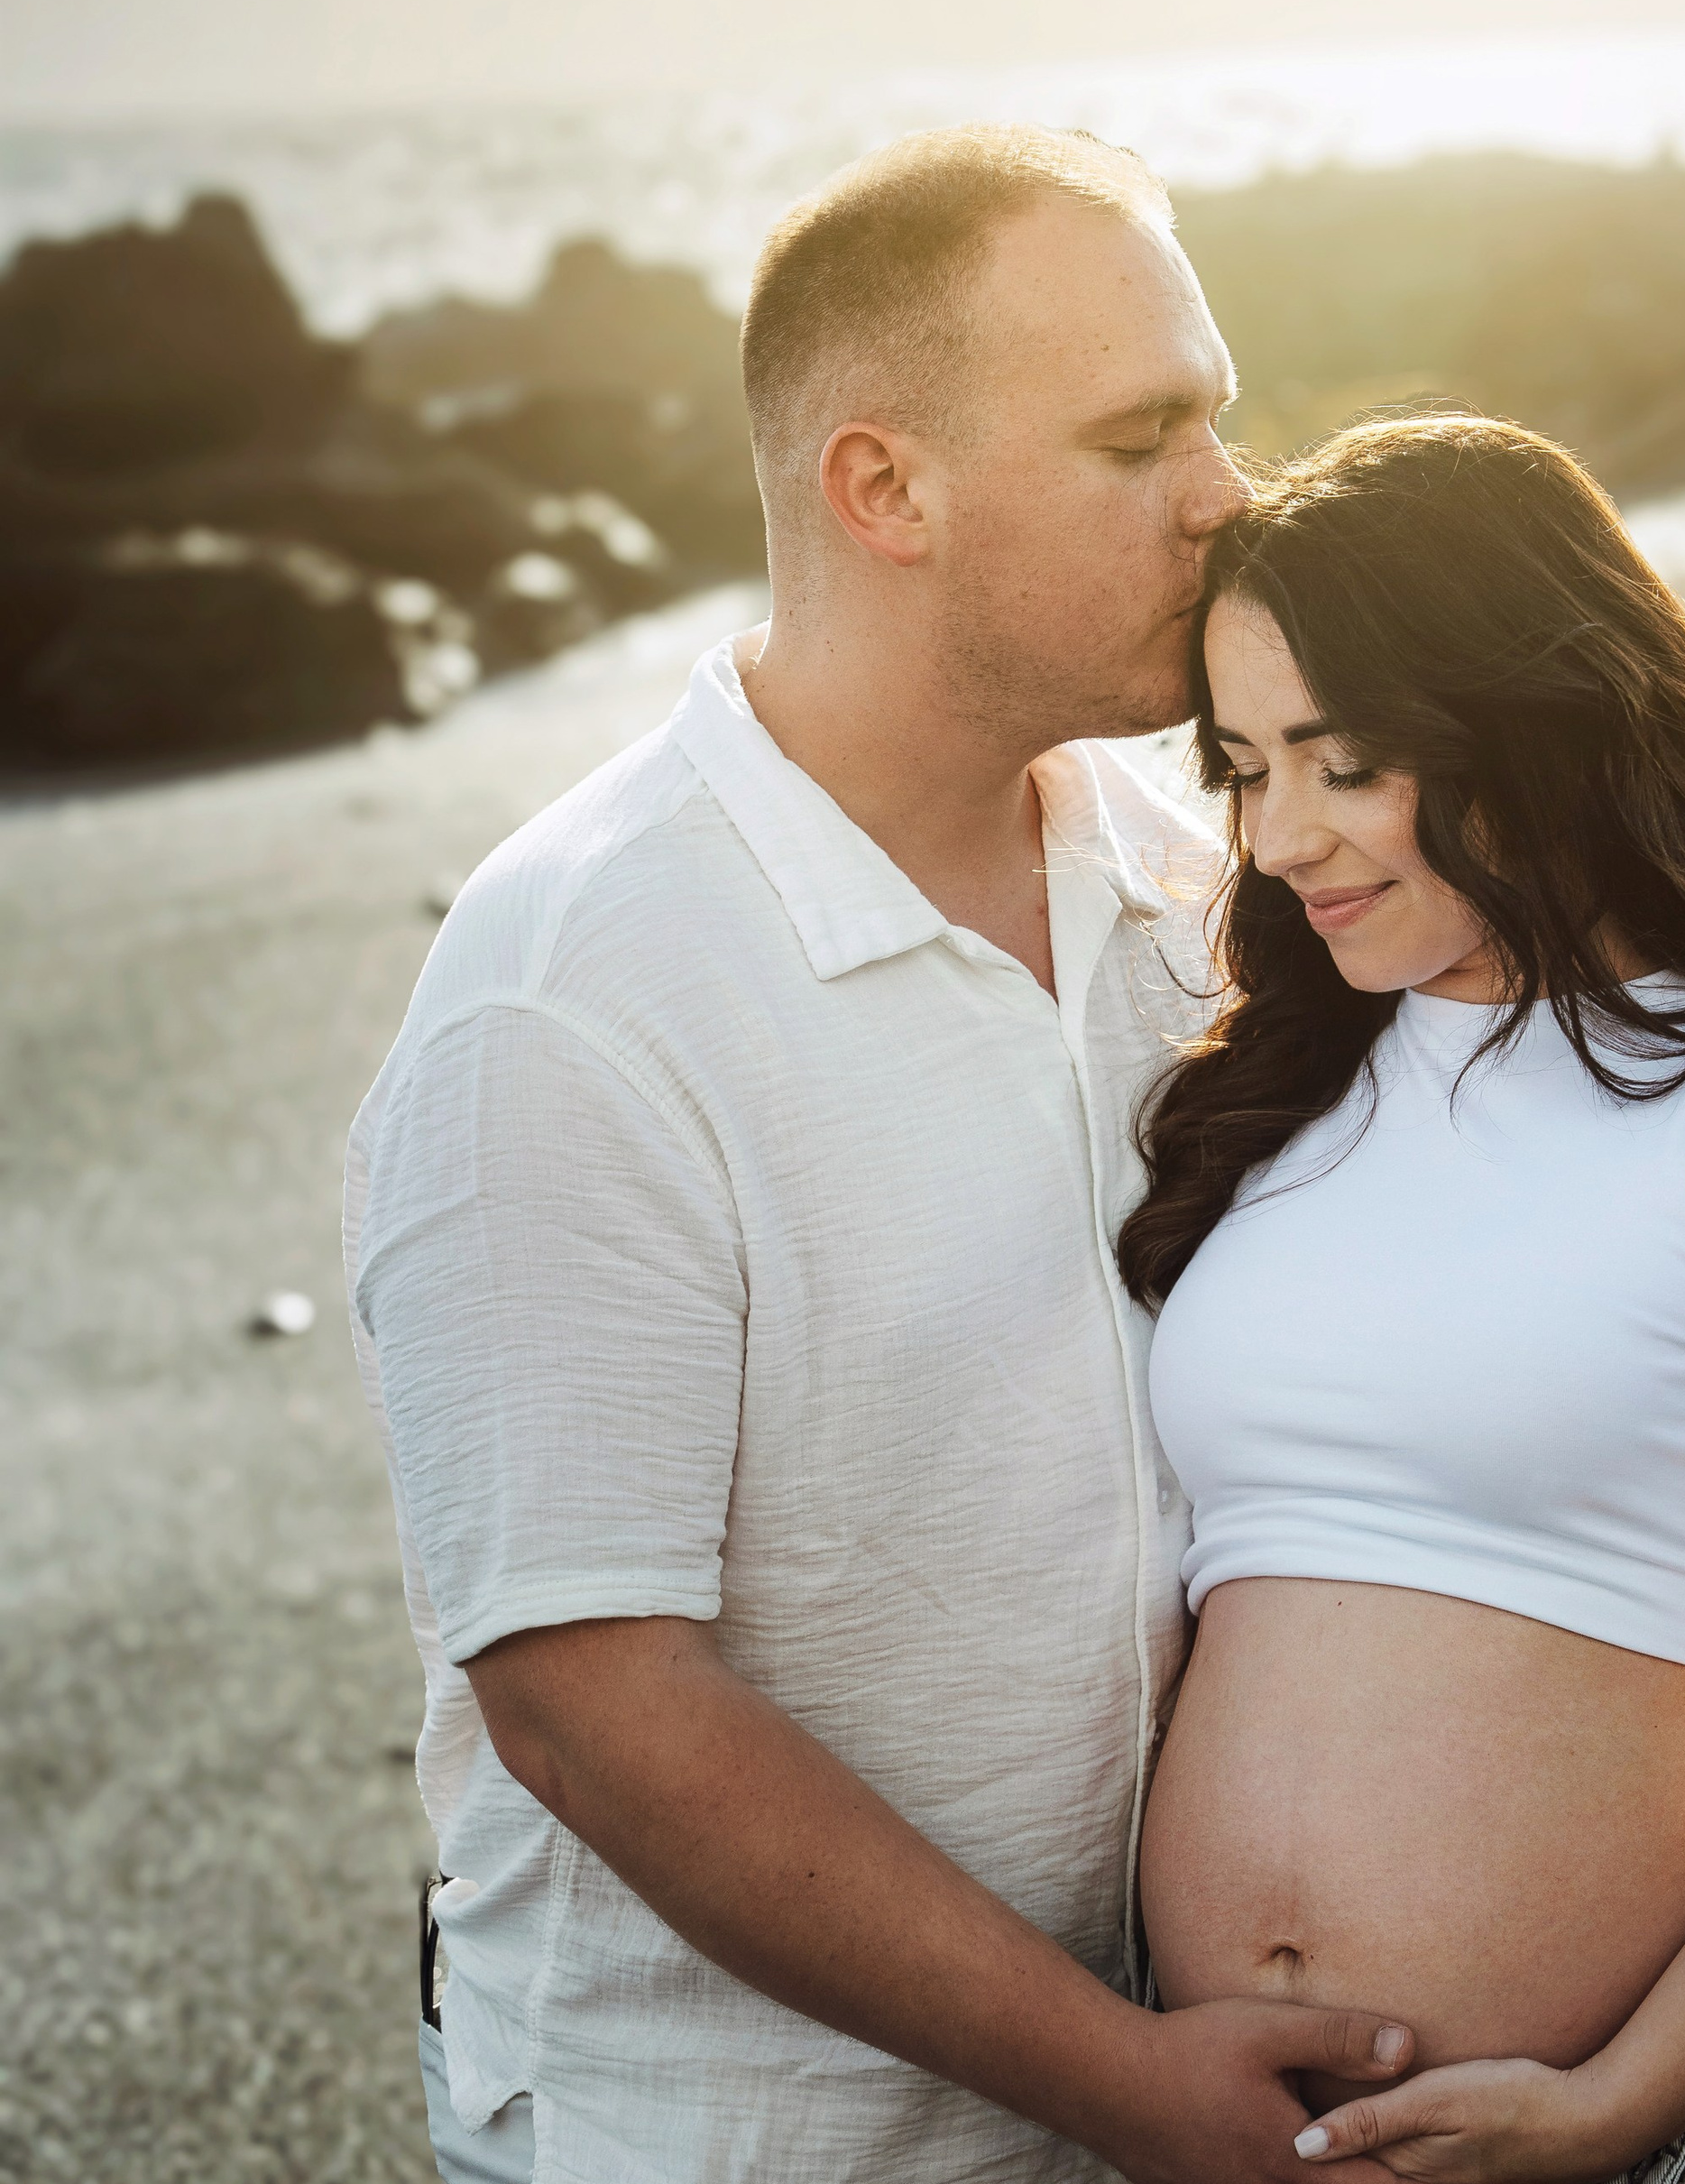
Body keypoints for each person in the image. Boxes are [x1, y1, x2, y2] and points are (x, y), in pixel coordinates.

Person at [345, 125, 1418, 2184]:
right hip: (741, 2142)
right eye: (1141, 436)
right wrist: (1126, 2083)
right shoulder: (570, 995)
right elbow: (589, 1692)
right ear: (882, 487)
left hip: (1155, 2112)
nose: (1228, 492)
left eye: (1215, 413)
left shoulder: (1201, 884)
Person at [1122, 414, 1685, 2183]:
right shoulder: (1270, 1094)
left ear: (1528, 726)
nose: (1279, 835)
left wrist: (1612, 2099)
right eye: (1241, 765)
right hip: (1253, 2143)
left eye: (1343, 759)